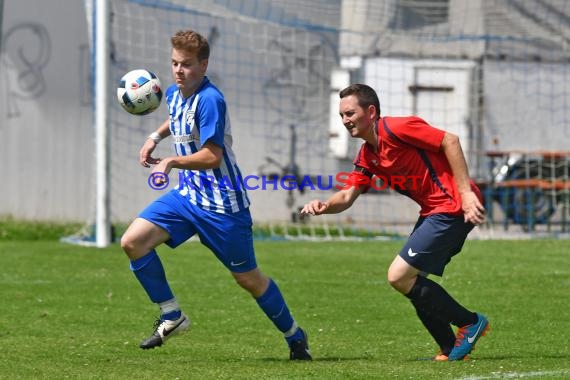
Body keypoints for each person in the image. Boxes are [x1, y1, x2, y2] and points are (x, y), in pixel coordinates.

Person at [120, 29, 311, 360]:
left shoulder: (211, 100)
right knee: (132, 242)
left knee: (249, 279)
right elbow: (175, 118)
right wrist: (154, 136)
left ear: (203, 65)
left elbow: (213, 157)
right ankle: (171, 315)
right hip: (188, 198)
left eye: (187, 65)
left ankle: (294, 335)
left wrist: (171, 161)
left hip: (224, 206)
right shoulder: (175, 92)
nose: (179, 71)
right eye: (175, 64)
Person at [300, 83, 489, 361]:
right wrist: (324, 206)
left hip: (453, 205)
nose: (345, 120)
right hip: (433, 211)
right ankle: (449, 349)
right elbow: (349, 194)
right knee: (413, 280)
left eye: (350, 113)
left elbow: (450, 140)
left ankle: (470, 323)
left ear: (371, 111)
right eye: (342, 116)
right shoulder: (367, 155)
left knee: (398, 276)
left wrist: (465, 193)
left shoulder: (397, 128)